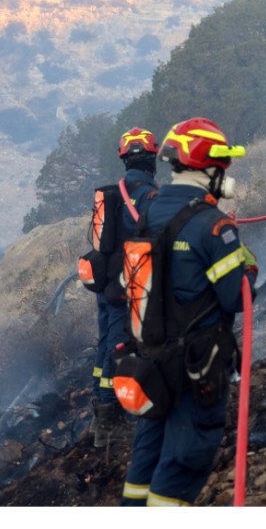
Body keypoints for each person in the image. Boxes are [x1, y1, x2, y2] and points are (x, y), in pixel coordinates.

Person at [120, 117, 258, 507]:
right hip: (198, 368)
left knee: (146, 455)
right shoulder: (215, 227)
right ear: (207, 167)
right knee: (184, 460)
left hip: (150, 362)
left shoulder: (148, 215)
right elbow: (237, 296)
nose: (224, 176)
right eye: (222, 168)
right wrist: (247, 266)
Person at [90, 127, 160, 448]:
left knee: (105, 344)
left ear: (124, 159)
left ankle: (97, 412)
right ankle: (108, 423)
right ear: (151, 158)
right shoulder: (148, 195)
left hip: (106, 283)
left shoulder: (115, 194)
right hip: (125, 285)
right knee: (118, 350)